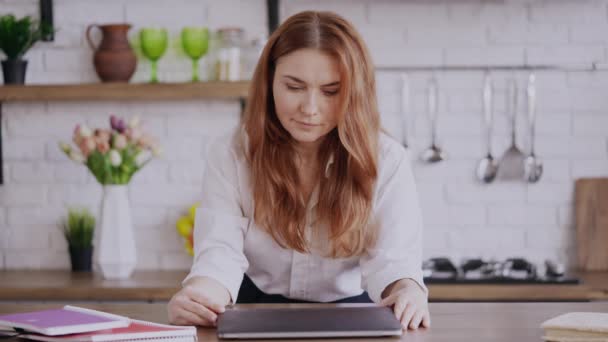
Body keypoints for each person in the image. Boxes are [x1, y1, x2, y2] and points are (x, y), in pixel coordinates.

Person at [168, 10, 430, 331]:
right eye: (294, 87)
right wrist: (199, 297)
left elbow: (394, 262)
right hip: (254, 306)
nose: (310, 108)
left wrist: (408, 290)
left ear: (354, 93)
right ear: (269, 82)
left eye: (331, 91)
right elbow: (219, 254)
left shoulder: (387, 159)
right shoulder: (231, 154)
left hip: (352, 311)